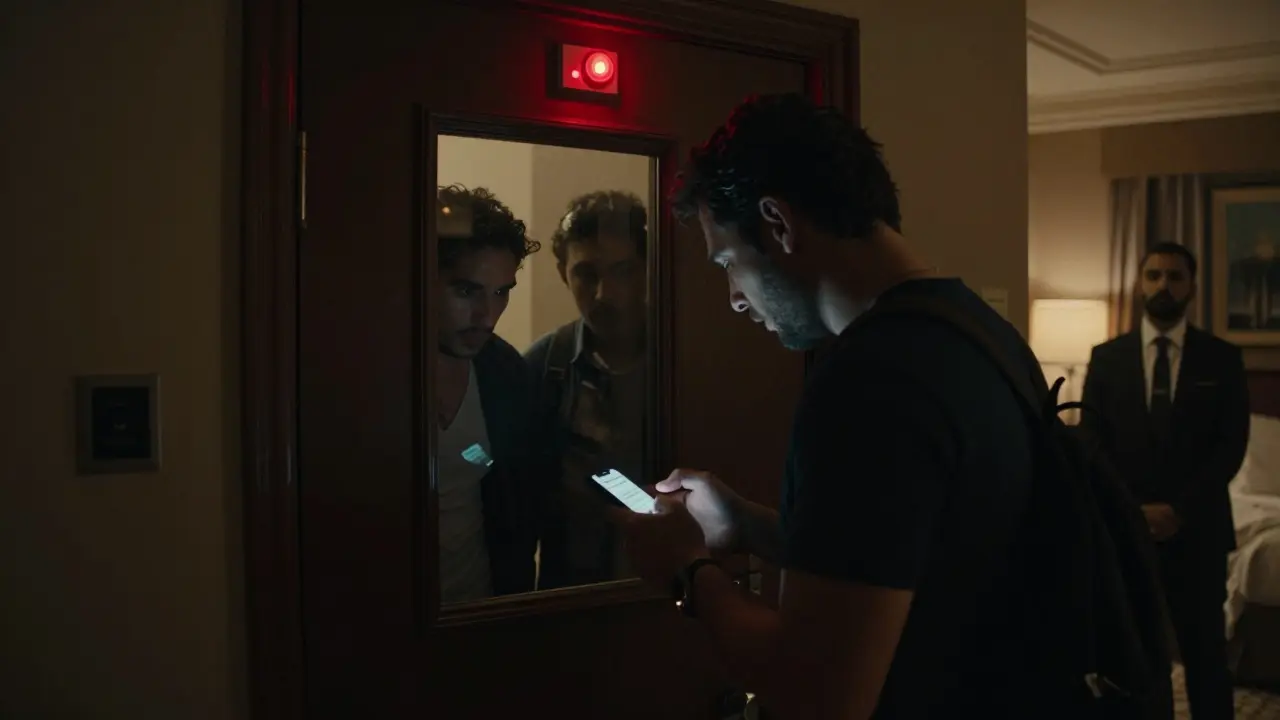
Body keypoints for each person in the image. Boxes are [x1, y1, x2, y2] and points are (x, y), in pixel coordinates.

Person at [615, 93, 1043, 718]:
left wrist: (686, 569)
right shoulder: (983, 337)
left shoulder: (868, 385)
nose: (734, 298)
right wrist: (748, 525)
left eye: (729, 261)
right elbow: (914, 557)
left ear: (779, 223)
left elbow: (817, 697)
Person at [1082, 242, 1249, 719]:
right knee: (1133, 659)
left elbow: (1229, 448)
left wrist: (1178, 510)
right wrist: (1134, 511)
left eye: (1175, 276)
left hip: (1198, 535)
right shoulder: (1106, 359)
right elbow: (1092, 444)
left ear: (1192, 286)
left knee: (1206, 658)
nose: (1163, 285)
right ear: (1139, 284)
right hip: (1126, 534)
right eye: (1154, 275)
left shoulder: (1221, 360)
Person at [526, 190, 649, 589]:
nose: (604, 294)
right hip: (571, 594)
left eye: (623, 271)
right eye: (587, 274)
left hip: (671, 590)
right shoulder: (543, 365)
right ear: (564, 272)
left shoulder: (688, 357)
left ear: (649, 268)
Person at [433, 184, 545, 604]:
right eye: (467, 291)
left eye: (502, 292)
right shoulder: (372, 376)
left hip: (482, 614)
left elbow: (515, 504)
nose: (488, 315)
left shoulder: (505, 373)